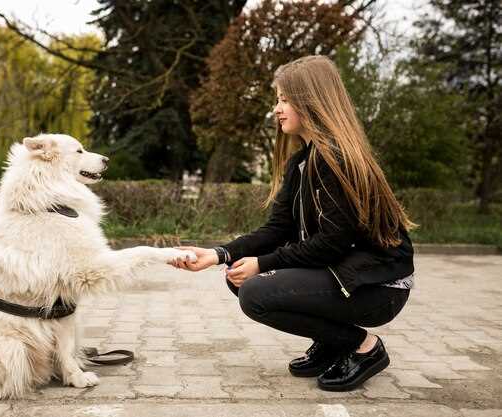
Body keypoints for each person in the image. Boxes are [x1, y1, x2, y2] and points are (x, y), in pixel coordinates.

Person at [170, 55, 416, 392]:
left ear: (311, 101)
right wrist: (219, 254)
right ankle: (331, 343)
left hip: (379, 286)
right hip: (346, 274)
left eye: (285, 99)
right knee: (240, 277)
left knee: (255, 290)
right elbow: (278, 229)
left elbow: (333, 243)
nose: (277, 108)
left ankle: (361, 346)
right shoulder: (302, 160)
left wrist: (264, 264)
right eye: (278, 99)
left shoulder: (337, 159)